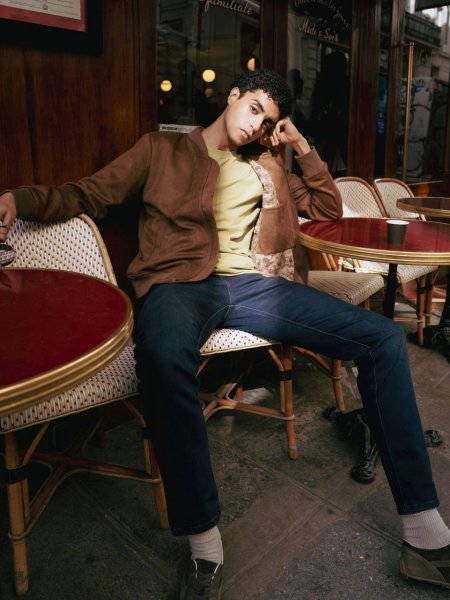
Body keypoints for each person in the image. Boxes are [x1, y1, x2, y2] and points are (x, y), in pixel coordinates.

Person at [1, 69, 449, 599]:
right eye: (255, 108)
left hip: (252, 287)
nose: (258, 125)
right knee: (162, 356)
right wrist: (18, 200)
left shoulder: (267, 163)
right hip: (177, 286)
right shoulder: (162, 149)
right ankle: (204, 545)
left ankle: (424, 535)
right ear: (233, 96)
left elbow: (327, 209)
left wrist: (299, 145)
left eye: (270, 120)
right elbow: (88, 193)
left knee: (383, 338)